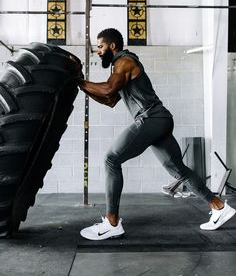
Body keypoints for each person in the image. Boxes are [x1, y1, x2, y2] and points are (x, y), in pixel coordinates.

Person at [76, 28, 235, 240]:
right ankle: (219, 207)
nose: (98, 51)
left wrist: (78, 81)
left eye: (100, 46)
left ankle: (112, 223)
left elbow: (106, 90)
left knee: (111, 160)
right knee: (178, 170)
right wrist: (82, 85)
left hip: (151, 118)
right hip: (159, 120)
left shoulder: (124, 62)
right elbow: (110, 99)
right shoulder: (118, 66)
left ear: (112, 46)